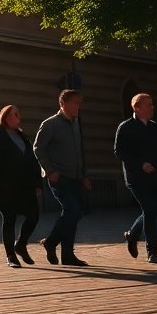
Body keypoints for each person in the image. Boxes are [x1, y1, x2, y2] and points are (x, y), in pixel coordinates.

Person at [34, 89, 92, 267]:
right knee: (72, 210)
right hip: (59, 177)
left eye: (79, 103)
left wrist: (83, 175)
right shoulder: (50, 124)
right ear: (63, 104)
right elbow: (38, 148)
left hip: (75, 177)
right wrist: (50, 171)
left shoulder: (75, 123)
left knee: (76, 213)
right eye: (75, 103)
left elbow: (79, 152)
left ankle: (66, 254)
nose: (78, 106)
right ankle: (51, 242)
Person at [0, 104, 43, 268]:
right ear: (6, 117)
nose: (19, 117)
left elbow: (33, 161)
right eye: (15, 114)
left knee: (34, 216)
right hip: (6, 185)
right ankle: (11, 255)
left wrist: (38, 183)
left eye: (19, 114)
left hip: (25, 185)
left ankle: (21, 244)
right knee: (9, 219)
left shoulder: (23, 136)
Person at [115, 92, 157, 263]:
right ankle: (152, 252)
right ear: (136, 108)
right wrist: (140, 164)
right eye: (148, 105)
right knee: (150, 209)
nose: (152, 107)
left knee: (154, 209)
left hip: (155, 176)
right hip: (136, 178)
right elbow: (119, 151)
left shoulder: (155, 127)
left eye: (152, 104)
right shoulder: (125, 127)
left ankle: (132, 234)